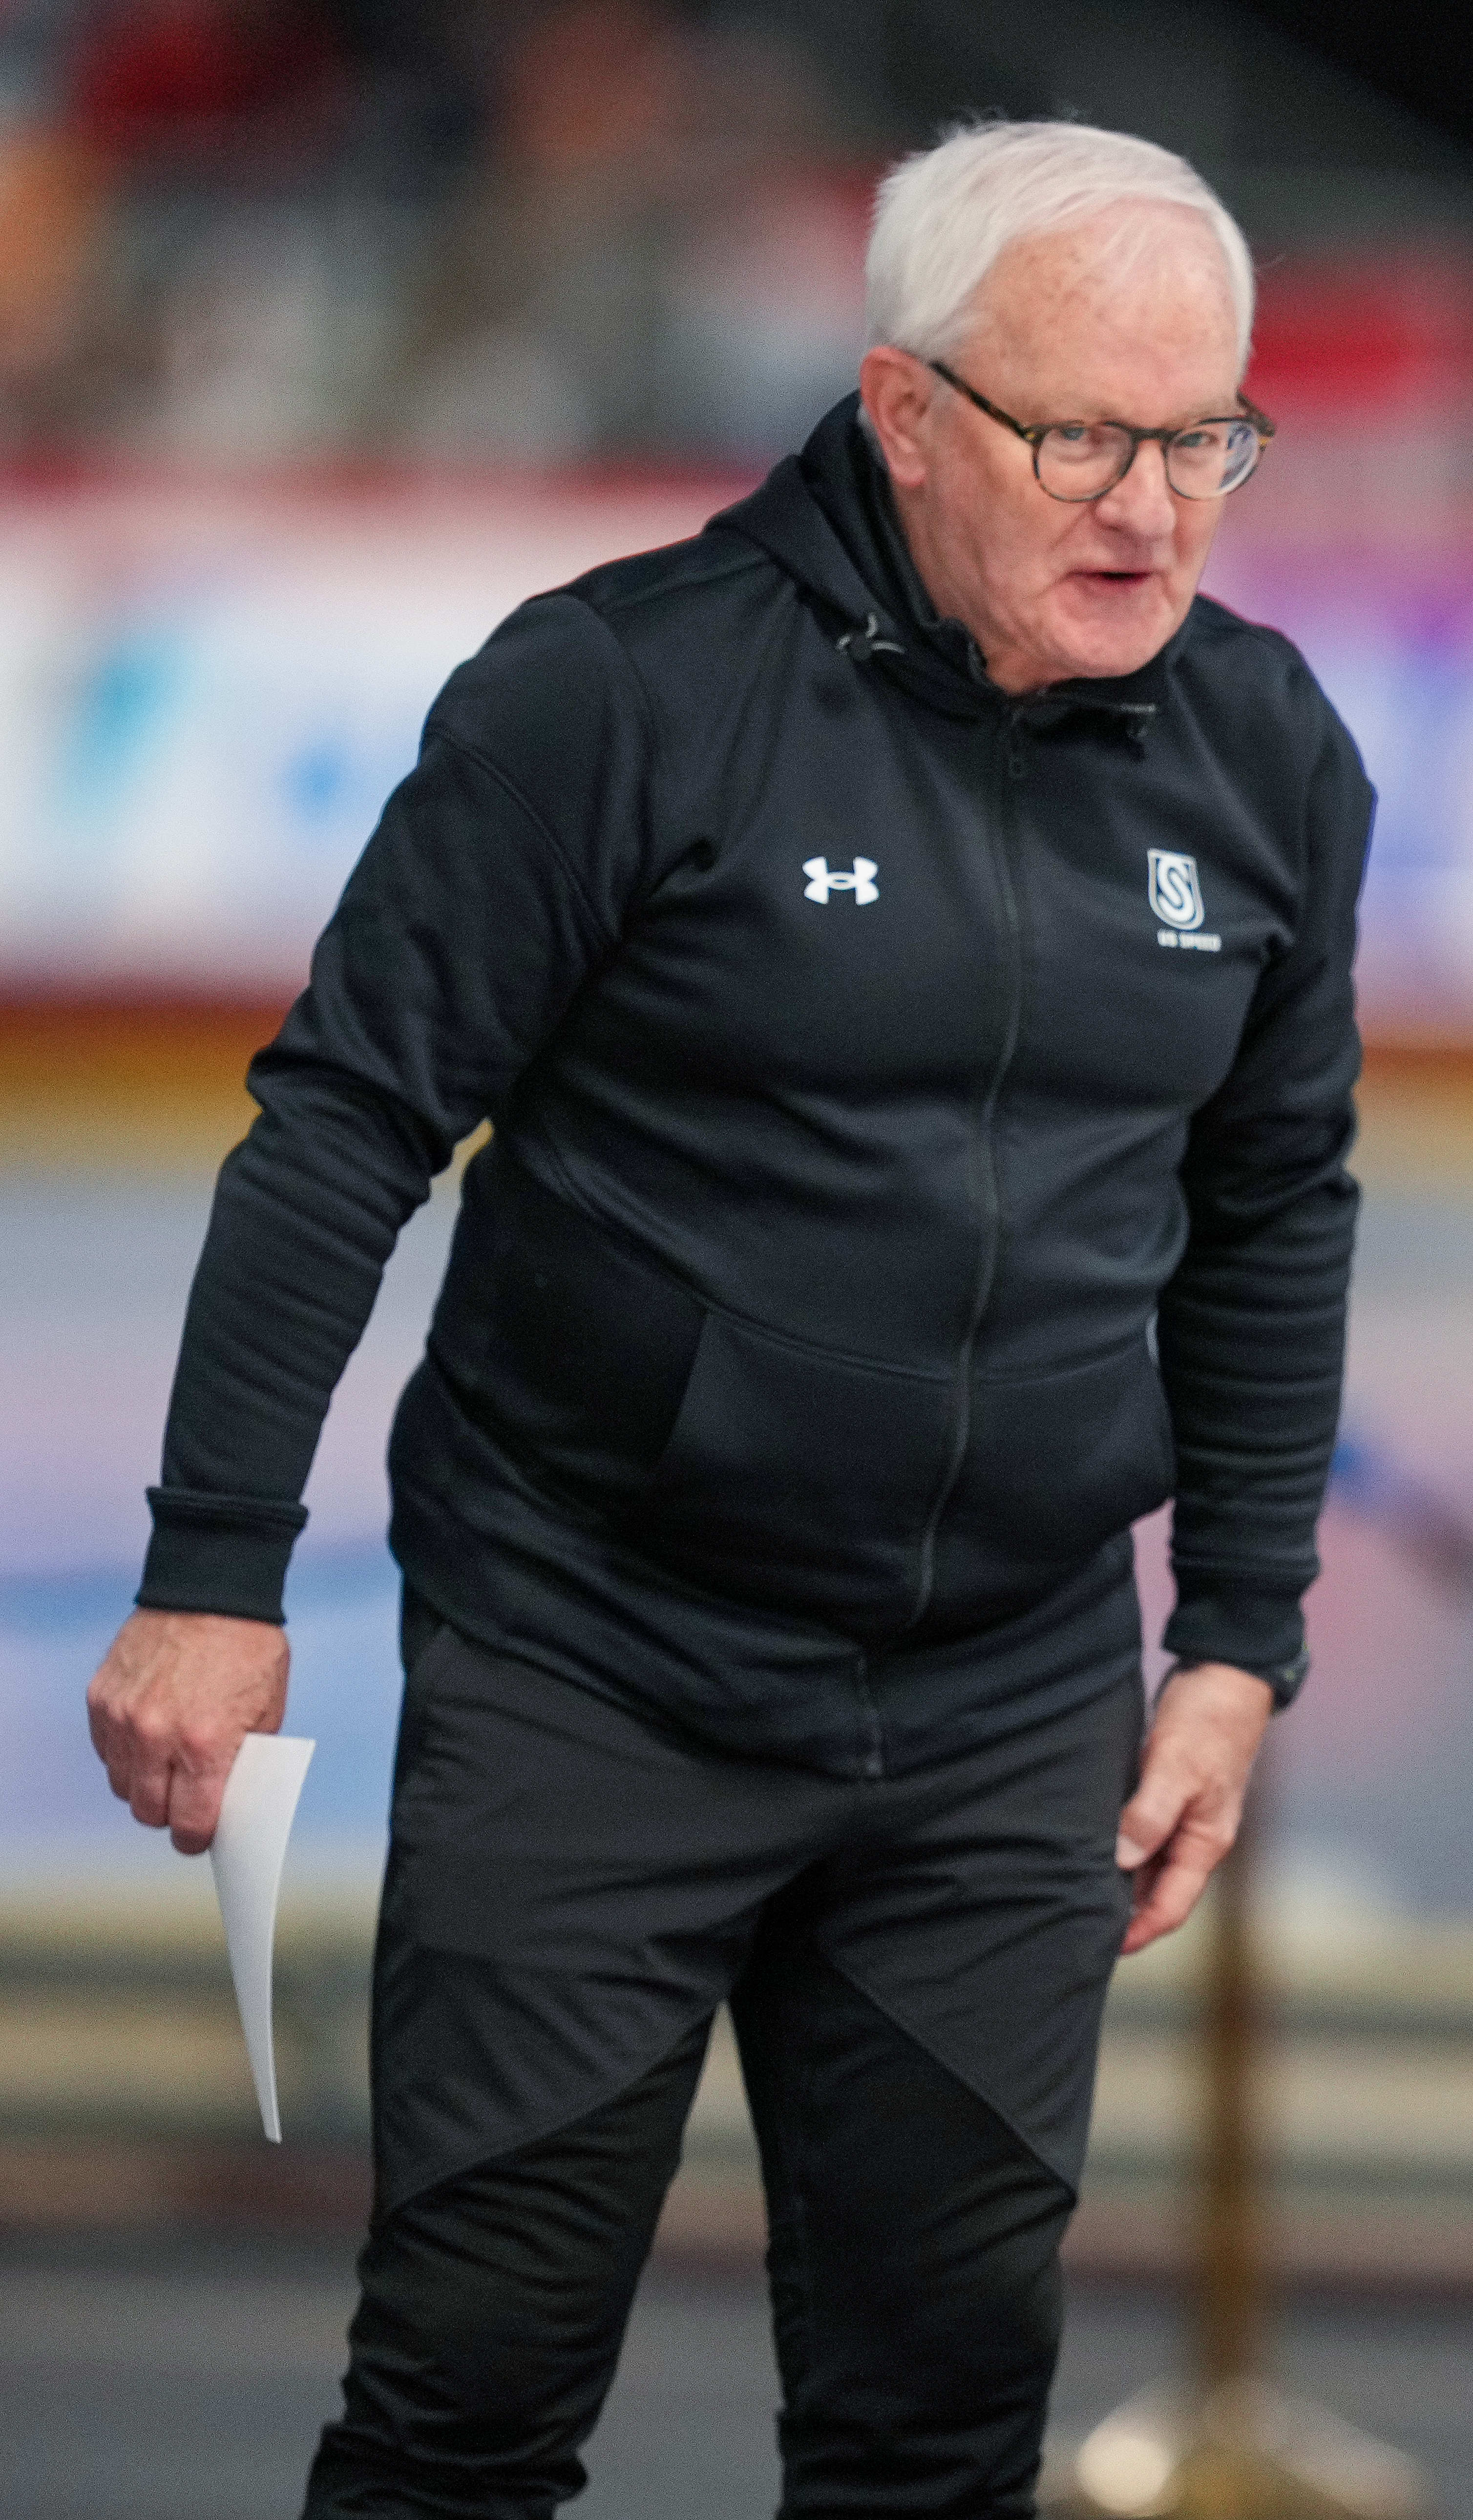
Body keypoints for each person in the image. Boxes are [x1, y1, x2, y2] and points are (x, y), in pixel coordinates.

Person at [81, 118, 1371, 2516]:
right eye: (1081, 434)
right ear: (901, 411)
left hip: (1003, 1708)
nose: (1154, 507)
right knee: (469, 2402)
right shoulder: (615, 694)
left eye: (1206, 439)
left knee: (940, 2430)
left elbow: (1277, 1198)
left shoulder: (1270, 750)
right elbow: (345, 1123)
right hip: (600, 1668)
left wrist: (1237, 1634)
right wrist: (208, 1573)